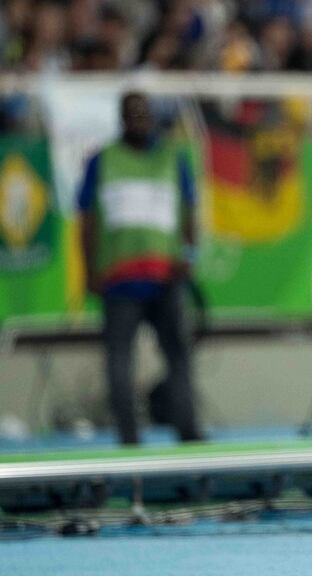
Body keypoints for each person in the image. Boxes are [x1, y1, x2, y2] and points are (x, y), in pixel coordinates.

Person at [78, 91, 203, 446]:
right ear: (121, 119)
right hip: (120, 279)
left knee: (179, 356)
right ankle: (129, 438)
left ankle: (188, 430)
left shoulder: (171, 158)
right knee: (119, 361)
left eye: (145, 115)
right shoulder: (102, 161)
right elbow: (86, 220)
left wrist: (190, 256)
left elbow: (189, 210)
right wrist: (89, 270)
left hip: (166, 276)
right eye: (132, 115)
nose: (140, 122)